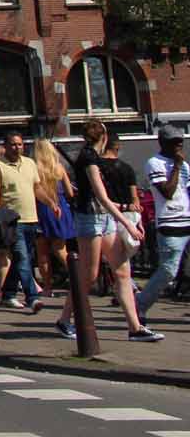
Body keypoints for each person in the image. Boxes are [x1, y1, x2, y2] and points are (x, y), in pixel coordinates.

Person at [57, 118, 159, 342]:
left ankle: (135, 328)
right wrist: (128, 222)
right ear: (103, 137)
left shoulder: (94, 158)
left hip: (105, 218)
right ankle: (65, 319)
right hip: (90, 219)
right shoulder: (88, 159)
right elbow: (102, 197)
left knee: (122, 271)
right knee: (89, 274)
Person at [138, 125, 190, 324]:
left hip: (188, 219)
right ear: (162, 143)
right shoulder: (155, 163)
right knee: (168, 271)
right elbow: (167, 193)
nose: (179, 144)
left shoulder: (185, 166)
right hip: (170, 223)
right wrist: (176, 167)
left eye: (181, 140)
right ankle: (140, 305)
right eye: (174, 141)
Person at [0, 130, 42, 312]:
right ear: (5, 147)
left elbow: (37, 188)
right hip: (13, 221)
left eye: (20, 144)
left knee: (23, 259)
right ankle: (32, 297)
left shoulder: (30, 163)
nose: (17, 147)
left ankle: (8, 294)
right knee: (22, 257)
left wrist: (52, 203)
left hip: (32, 218)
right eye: (13, 144)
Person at [34, 138, 76, 297]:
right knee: (60, 249)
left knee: (42, 251)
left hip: (42, 209)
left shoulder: (35, 168)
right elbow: (70, 193)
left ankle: (47, 287)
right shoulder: (59, 167)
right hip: (61, 207)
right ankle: (76, 279)